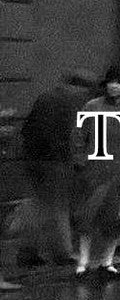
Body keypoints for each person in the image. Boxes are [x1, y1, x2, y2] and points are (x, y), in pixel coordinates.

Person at [14, 70, 96, 267]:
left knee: (40, 204)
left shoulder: (46, 96)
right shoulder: (76, 101)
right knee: (59, 205)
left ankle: (28, 250)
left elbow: (28, 129)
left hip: (34, 157)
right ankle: (62, 252)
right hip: (57, 160)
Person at [74, 66, 120, 279]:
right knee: (88, 216)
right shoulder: (92, 107)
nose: (113, 86)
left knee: (116, 219)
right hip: (95, 171)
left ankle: (107, 262)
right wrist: (80, 161)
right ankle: (83, 262)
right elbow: (79, 136)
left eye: (118, 82)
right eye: (111, 81)